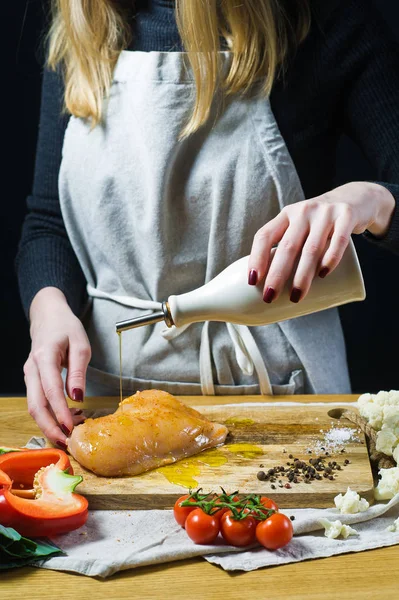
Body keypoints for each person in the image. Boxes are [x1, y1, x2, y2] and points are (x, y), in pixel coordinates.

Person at [16, 0, 399, 449]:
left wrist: (373, 199)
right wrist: (47, 309)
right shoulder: (87, 26)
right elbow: (48, 221)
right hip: (104, 389)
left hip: (280, 390)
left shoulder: (318, 20)